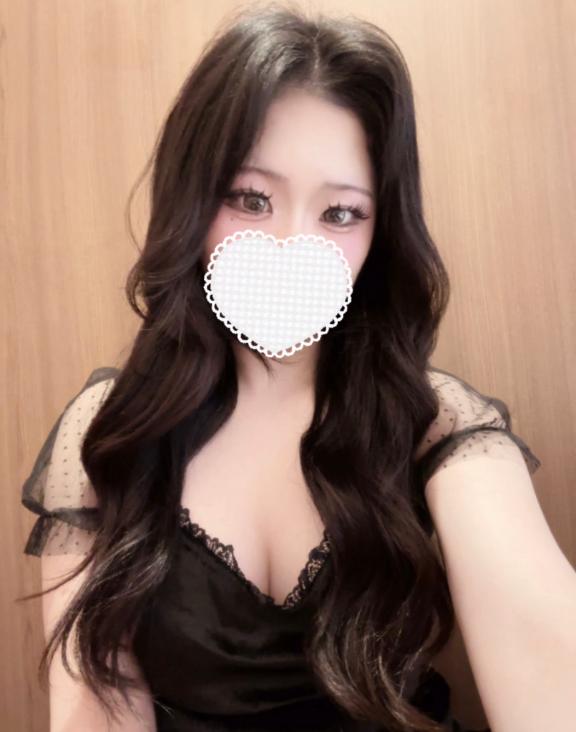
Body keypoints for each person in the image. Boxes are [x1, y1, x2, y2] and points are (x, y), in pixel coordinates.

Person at [18, 4, 542, 731]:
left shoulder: (435, 422)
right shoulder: (109, 430)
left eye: (341, 213)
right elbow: (96, 709)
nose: (292, 245)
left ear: (381, 230)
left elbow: (543, 647)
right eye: (250, 199)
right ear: (192, 200)